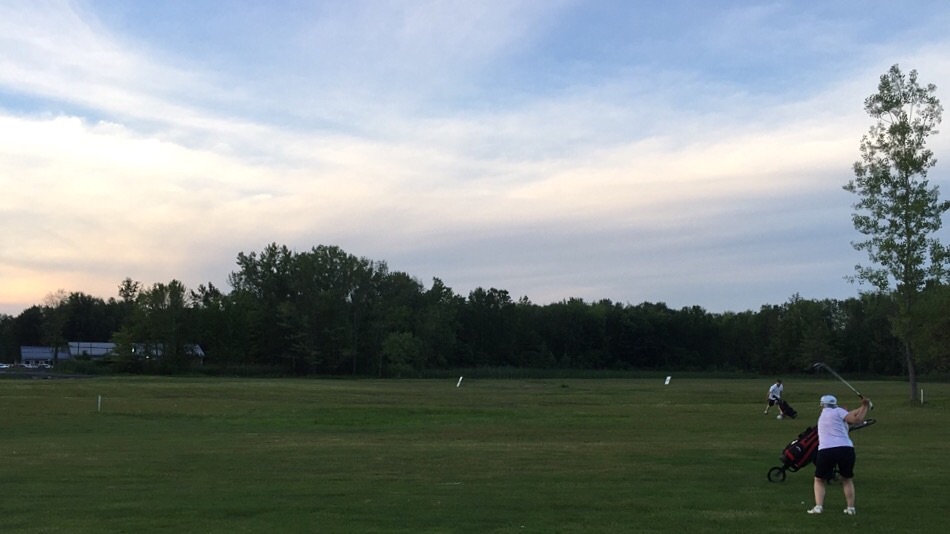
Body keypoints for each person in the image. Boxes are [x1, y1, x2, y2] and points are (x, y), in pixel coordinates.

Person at [806, 394, 872, 515]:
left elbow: (853, 417)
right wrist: (864, 407)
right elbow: (856, 419)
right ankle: (850, 508)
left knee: (819, 479)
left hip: (826, 450)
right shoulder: (839, 412)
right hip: (846, 449)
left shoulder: (824, 415)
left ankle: (818, 507)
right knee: (847, 479)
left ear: (822, 405)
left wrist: (864, 406)